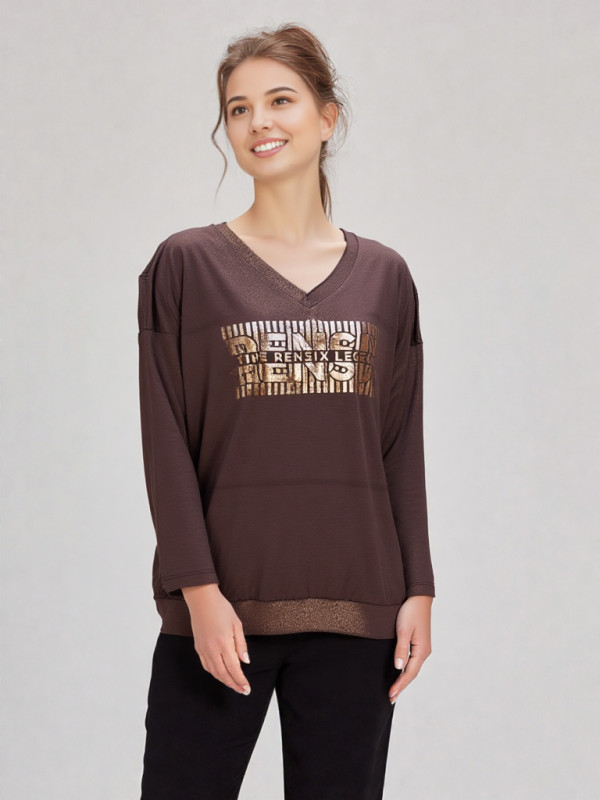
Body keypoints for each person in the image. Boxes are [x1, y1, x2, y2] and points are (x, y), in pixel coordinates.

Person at [137, 22, 435, 800]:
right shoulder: (185, 266)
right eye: (238, 109)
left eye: (280, 100)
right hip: (220, 613)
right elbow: (165, 441)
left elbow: (399, 446)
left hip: (359, 613)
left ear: (327, 117)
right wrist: (199, 592)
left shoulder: (386, 278)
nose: (257, 122)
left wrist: (419, 590)